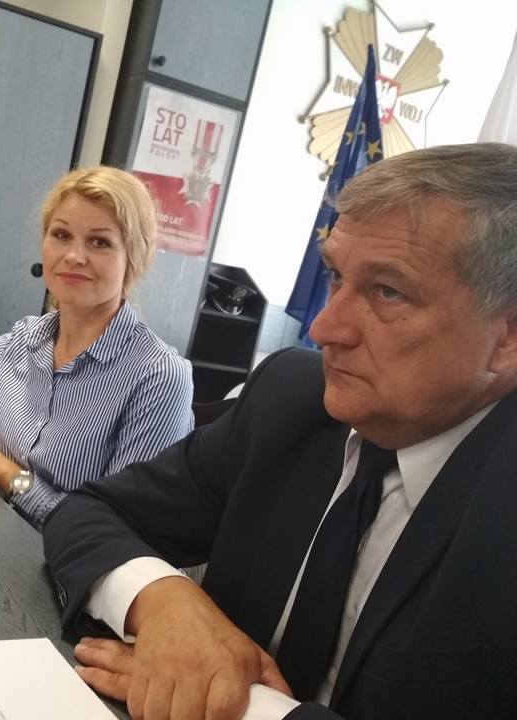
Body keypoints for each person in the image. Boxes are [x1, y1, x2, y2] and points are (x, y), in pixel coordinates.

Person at [43, 143, 517, 720]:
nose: (324, 327)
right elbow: (90, 511)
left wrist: (239, 704)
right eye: (336, 276)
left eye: (388, 292)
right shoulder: (291, 400)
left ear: (507, 336)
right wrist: (163, 601)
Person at [0, 166, 194, 529]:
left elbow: (108, 532)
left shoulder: (159, 376)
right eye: (61, 235)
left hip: (66, 561)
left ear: (134, 257)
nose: (73, 255)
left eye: (99, 242)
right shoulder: (23, 341)